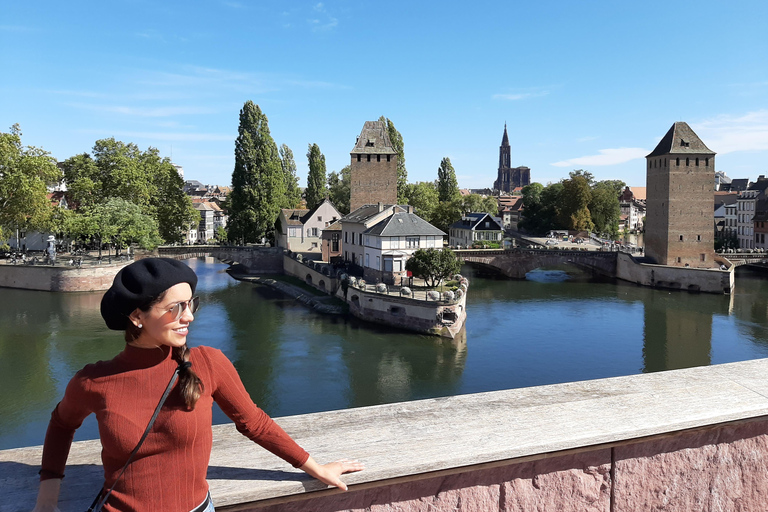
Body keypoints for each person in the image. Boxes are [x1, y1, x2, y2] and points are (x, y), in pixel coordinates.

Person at [33, 258, 363, 512]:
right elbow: (62, 424)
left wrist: (314, 467)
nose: (188, 316)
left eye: (191, 304)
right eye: (175, 308)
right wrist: (48, 496)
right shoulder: (95, 381)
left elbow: (254, 422)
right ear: (137, 316)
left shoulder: (208, 362)